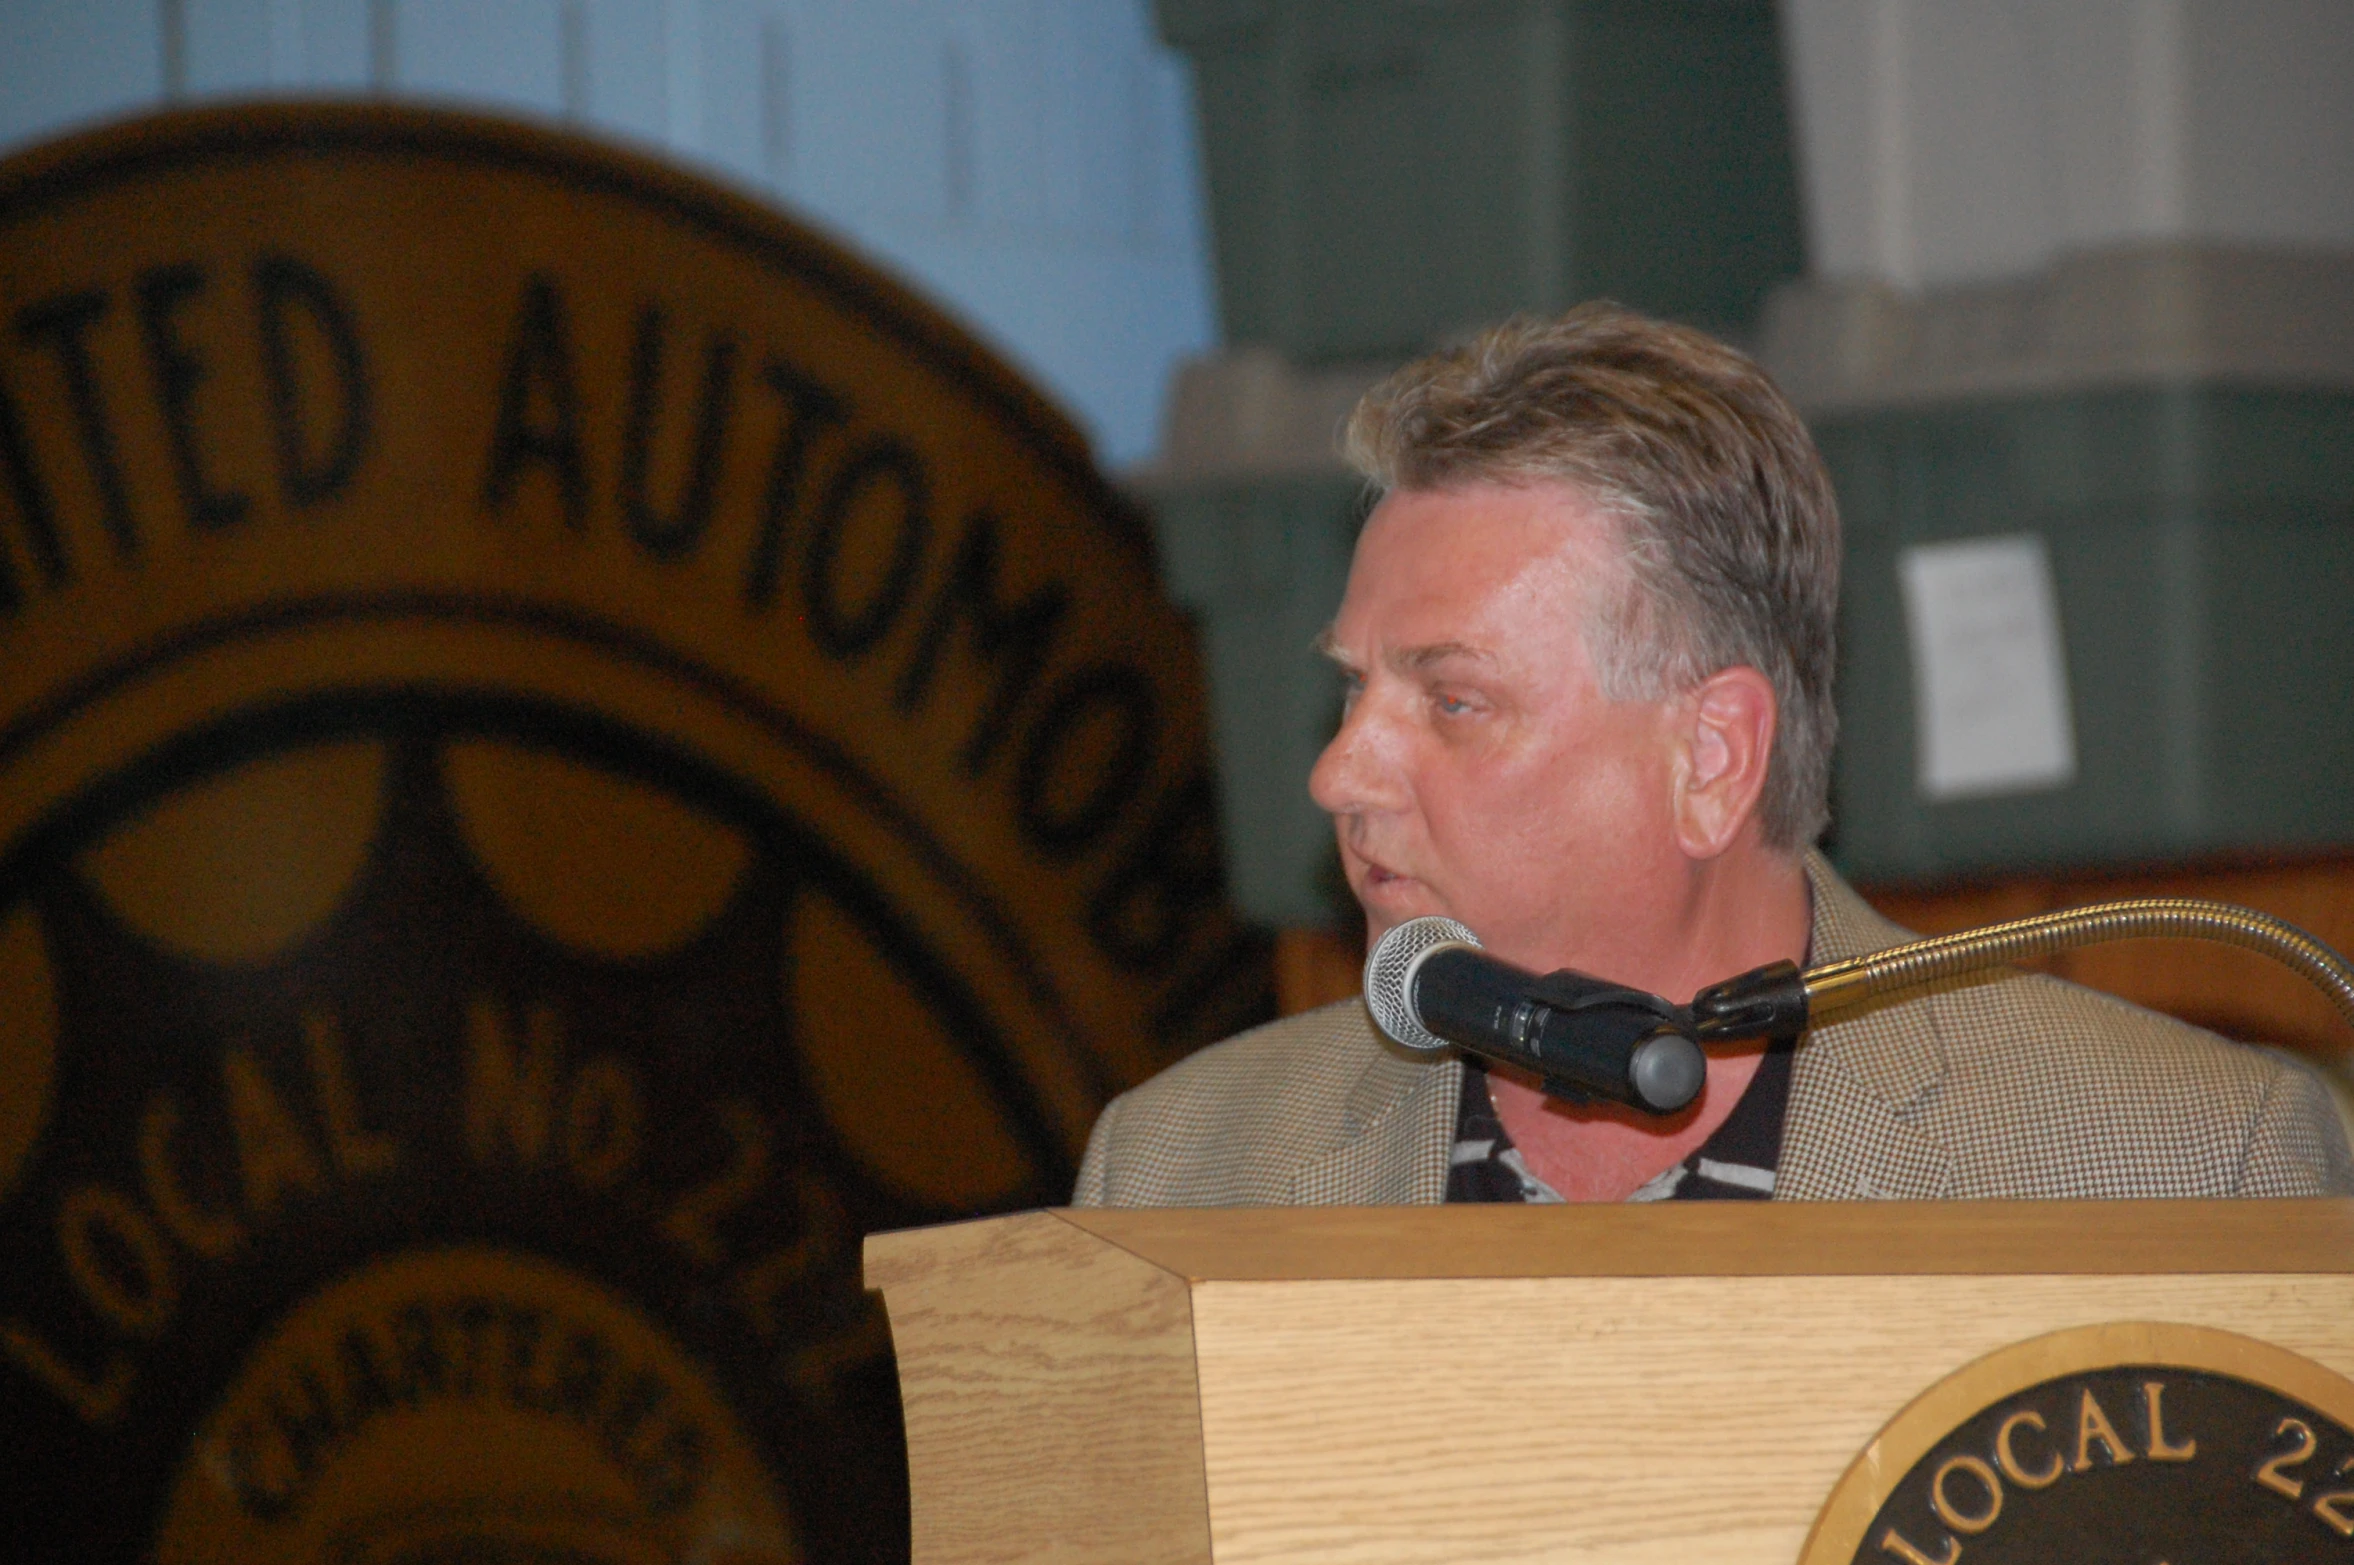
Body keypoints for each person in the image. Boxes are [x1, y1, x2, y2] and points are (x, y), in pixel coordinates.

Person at [1076, 303, 2354, 1206]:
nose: (1338, 773)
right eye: (1352, 691)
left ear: (1710, 757)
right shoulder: (1180, 1171)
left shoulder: (2180, 1166)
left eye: (1450, 702)